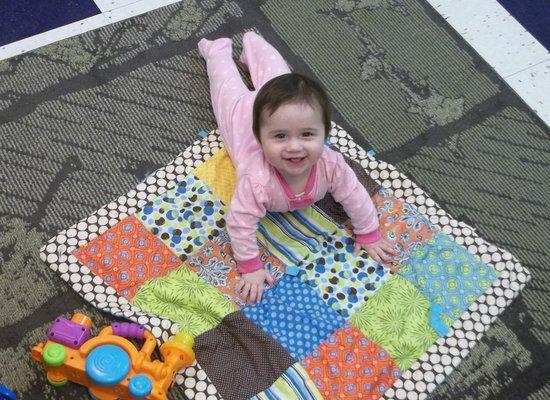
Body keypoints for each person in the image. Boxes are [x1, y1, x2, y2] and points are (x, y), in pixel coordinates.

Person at [198, 31, 396, 304]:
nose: (294, 147)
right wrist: (250, 267)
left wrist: (368, 232)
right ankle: (217, 52)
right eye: (280, 137)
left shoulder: (331, 165)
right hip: (243, 121)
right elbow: (240, 224)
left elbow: (355, 195)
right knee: (225, 91)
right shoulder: (257, 181)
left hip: (282, 112)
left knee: (281, 79)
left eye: (307, 135)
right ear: (260, 137)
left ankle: (254, 45)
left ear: (325, 134)